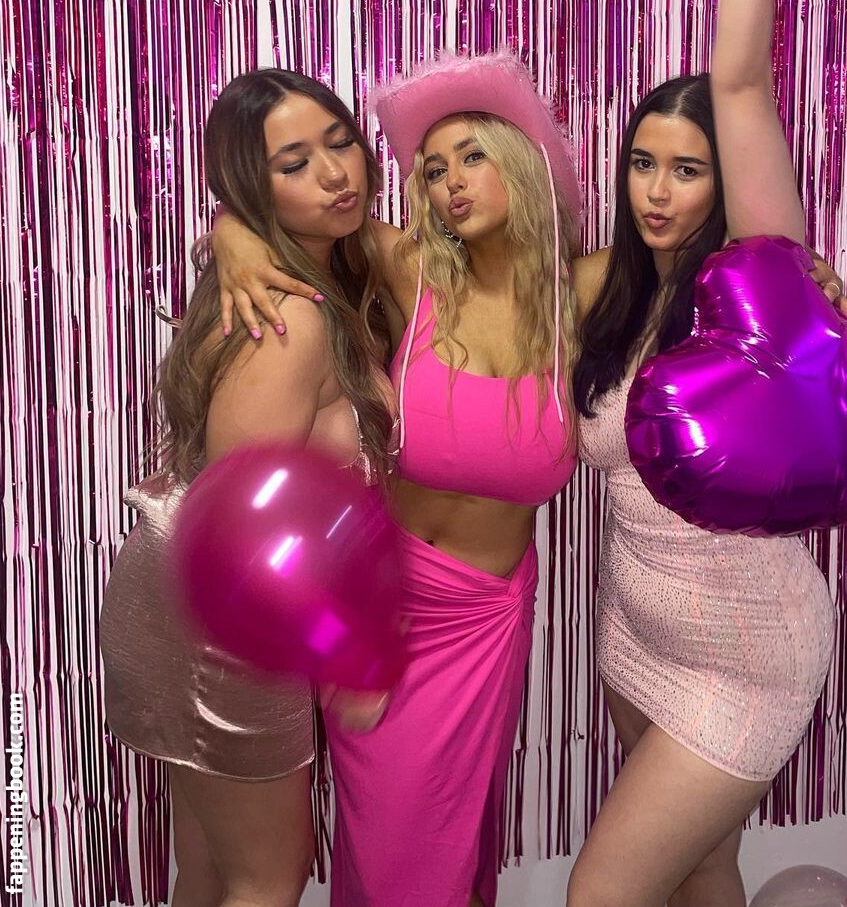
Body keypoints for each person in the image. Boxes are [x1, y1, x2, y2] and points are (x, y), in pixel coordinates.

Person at [210, 53, 582, 906]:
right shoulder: (412, 270)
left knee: (458, 843)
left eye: (472, 157)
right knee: (393, 856)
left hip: (491, 618)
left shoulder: (582, 293)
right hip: (386, 603)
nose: (451, 183)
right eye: (434, 169)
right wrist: (232, 233)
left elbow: (689, 269)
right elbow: (289, 220)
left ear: (520, 157)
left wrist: (803, 273)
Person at [566, 0, 837, 907]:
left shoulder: (755, 293)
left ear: (729, 183)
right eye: (644, 163)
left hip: (747, 653)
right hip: (638, 629)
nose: (659, 189)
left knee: (600, 895)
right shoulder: (608, 290)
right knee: (704, 872)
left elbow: (742, 85)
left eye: (688, 170)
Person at [100, 69, 394, 907]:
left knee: (212, 868)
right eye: (294, 163)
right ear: (250, 187)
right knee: (268, 876)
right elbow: (242, 524)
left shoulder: (298, 274)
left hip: (192, 593)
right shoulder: (290, 317)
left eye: (341, 143)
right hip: (221, 615)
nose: (335, 174)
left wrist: (233, 228)